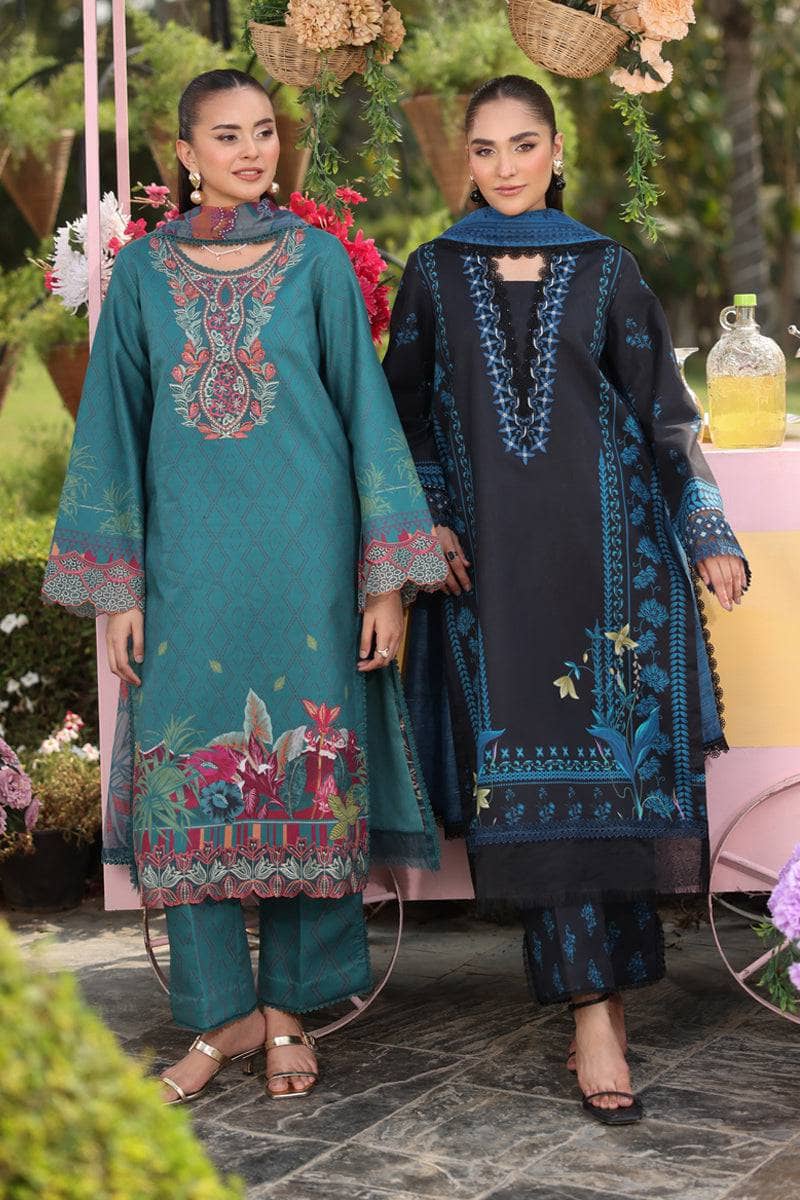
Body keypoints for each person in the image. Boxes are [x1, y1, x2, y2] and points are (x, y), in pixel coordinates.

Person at [43, 69, 446, 1104]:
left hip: (309, 563)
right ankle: (220, 1017)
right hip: (187, 573)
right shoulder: (139, 275)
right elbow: (113, 431)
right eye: (226, 136)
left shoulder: (315, 262)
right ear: (184, 155)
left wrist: (385, 581)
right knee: (190, 779)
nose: (251, 150)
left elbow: (363, 412)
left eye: (264, 132)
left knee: (307, 767)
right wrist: (120, 586)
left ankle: (287, 1015)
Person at [383, 74, 748, 1125]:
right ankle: (596, 1010)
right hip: (490, 582)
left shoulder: (605, 270)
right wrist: (435, 519)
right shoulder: (433, 275)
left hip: (611, 577)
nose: (503, 167)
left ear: (555, 149)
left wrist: (706, 533)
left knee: (611, 784)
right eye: (485, 148)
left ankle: (601, 1012)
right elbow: (398, 417)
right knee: (533, 792)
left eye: (522, 145)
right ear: (464, 157)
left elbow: (665, 419)